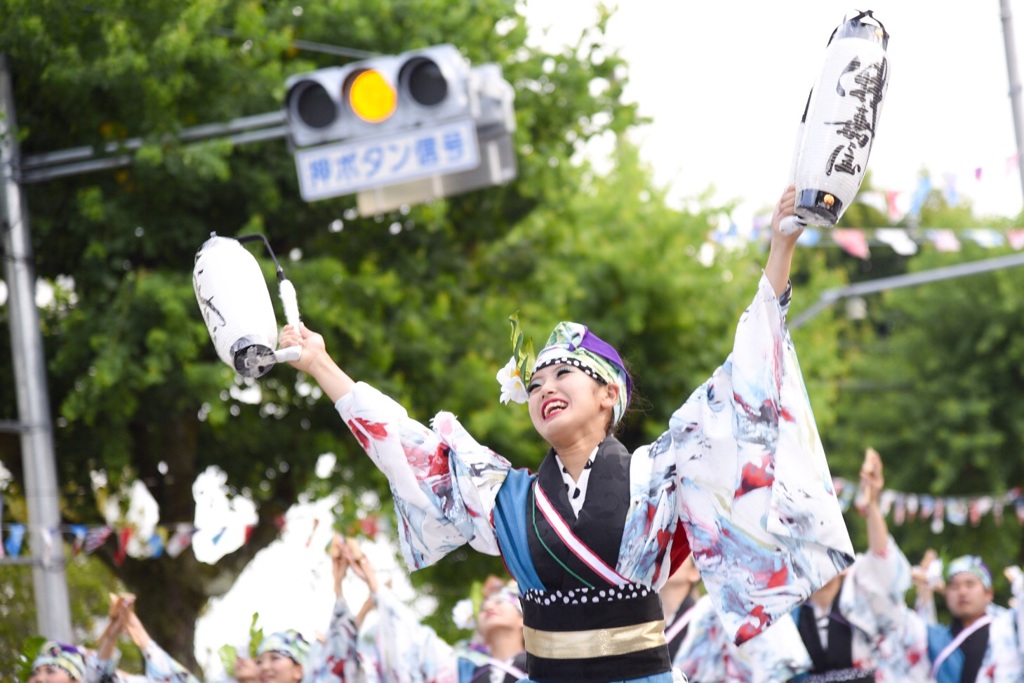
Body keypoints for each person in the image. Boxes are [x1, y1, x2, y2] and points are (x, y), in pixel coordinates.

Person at [279, 184, 854, 683]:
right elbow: (401, 442)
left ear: (609, 395)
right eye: (535, 383)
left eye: (563, 374)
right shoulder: (506, 497)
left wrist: (781, 250)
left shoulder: (661, 472)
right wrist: (320, 365)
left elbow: (745, 382)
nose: (545, 387)